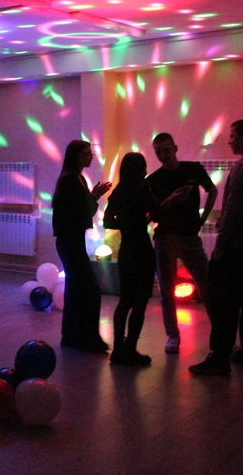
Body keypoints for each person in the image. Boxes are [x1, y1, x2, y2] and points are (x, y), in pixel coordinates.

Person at [189, 119, 243, 375]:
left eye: (232, 136)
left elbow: (233, 211)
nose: (229, 141)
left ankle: (220, 357)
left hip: (240, 247)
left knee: (224, 303)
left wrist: (221, 245)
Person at [147, 132, 217, 354]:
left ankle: (220, 335)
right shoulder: (153, 180)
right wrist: (171, 200)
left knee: (207, 285)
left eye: (166, 150)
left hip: (189, 236)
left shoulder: (193, 169)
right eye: (158, 152)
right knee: (166, 289)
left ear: (175, 148)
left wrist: (203, 218)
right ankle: (173, 335)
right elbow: (151, 216)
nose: (162, 155)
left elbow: (212, 190)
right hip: (165, 237)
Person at [52, 140, 112, 353]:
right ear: (76, 156)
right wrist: (93, 197)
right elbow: (78, 212)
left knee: (75, 290)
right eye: (87, 153)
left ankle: (71, 336)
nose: (91, 156)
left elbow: (85, 212)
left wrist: (93, 197)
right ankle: (88, 339)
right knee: (89, 291)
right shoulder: (70, 180)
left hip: (72, 240)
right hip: (69, 241)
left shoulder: (78, 179)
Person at [103, 153, 158, 366]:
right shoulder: (144, 189)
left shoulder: (118, 192)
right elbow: (157, 213)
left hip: (126, 251)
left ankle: (118, 349)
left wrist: (126, 224)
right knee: (140, 302)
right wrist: (142, 221)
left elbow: (107, 222)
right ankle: (130, 349)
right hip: (143, 250)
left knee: (125, 301)